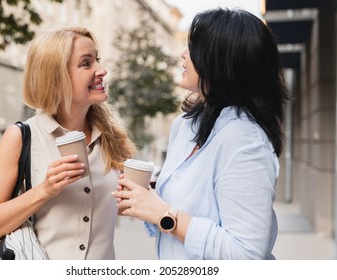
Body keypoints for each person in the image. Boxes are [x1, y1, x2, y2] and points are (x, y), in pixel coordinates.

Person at [112, 8, 290, 260]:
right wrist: (141, 199)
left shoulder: (244, 139)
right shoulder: (185, 125)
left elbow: (246, 254)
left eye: (193, 48)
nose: (183, 54)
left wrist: (164, 215)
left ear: (221, 62)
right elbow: (184, 204)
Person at [0, 26, 135, 259]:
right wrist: (45, 190)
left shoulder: (112, 139)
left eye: (97, 60)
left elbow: (111, 208)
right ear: (56, 78)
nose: (102, 70)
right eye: (86, 64)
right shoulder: (21, 136)